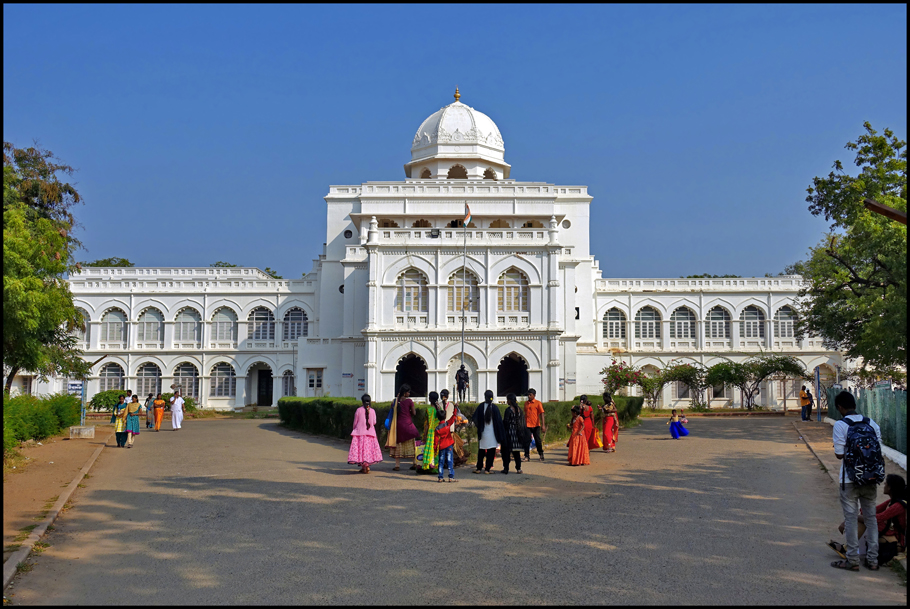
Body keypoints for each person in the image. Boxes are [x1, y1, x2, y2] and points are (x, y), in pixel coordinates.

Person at [830, 391, 883, 571]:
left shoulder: (840, 425)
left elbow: (839, 454)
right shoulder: (871, 423)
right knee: (871, 519)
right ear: (854, 404)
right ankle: (873, 560)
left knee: (851, 519)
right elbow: (878, 450)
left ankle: (852, 560)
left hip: (850, 480)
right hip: (871, 478)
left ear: (840, 407)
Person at [829, 474, 907, 566]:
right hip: (889, 532)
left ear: (890, 488)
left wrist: (851, 519)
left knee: (866, 521)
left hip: (896, 541)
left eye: (886, 483)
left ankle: (847, 548)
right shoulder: (892, 501)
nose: (884, 484)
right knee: (864, 519)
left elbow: (879, 517)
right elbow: (871, 510)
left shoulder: (899, 505)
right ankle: (847, 548)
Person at [386, 384, 420, 472]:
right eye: (408, 392)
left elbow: (392, 409)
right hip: (408, 425)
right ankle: (414, 463)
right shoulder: (409, 401)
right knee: (412, 445)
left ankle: (397, 465)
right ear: (405, 393)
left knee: (398, 446)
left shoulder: (395, 401)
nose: (409, 393)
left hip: (398, 426)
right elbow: (414, 413)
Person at [348, 394, 383, 473]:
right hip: (370, 434)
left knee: (361, 451)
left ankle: (364, 467)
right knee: (368, 451)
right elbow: (374, 422)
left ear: (362, 401)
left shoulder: (358, 410)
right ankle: (367, 466)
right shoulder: (373, 411)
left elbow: (355, 422)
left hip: (359, 433)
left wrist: (354, 429)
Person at [472, 390, 504, 474]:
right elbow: (499, 421)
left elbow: (475, 418)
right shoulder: (495, 408)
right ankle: (488, 469)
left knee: (481, 451)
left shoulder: (481, 406)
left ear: (484, 397)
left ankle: (479, 468)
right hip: (492, 434)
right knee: (491, 451)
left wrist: (479, 427)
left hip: (483, 433)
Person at [501, 393, 529, 475]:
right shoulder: (519, 409)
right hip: (518, 433)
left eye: (507, 400)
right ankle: (518, 468)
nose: (507, 401)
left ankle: (506, 469)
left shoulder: (508, 410)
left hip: (509, 433)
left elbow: (506, 422)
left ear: (509, 400)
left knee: (506, 452)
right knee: (516, 452)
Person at [420, 391, 444, 474]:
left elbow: (427, 424)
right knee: (436, 450)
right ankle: (436, 467)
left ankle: (428, 466)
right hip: (438, 432)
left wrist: (425, 435)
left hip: (431, 433)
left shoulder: (429, 410)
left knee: (430, 449)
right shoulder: (439, 409)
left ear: (429, 399)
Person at [434, 404, 458, 483]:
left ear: (437, 418)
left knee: (441, 462)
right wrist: (455, 408)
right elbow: (454, 417)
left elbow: (436, 440)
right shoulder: (447, 424)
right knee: (449, 461)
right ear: (445, 417)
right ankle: (451, 477)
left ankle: (440, 477)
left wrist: (434, 448)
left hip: (441, 446)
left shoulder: (437, 428)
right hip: (449, 445)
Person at [523, 388, 546, 462]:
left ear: (534, 395)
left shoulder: (538, 403)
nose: (529, 396)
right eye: (528, 395)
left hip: (536, 425)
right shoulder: (526, 403)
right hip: (527, 425)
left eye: (530, 395)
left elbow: (542, 414)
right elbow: (525, 414)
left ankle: (541, 454)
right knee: (526, 441)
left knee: (537, 440)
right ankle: (526, 456)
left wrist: (543, 425)